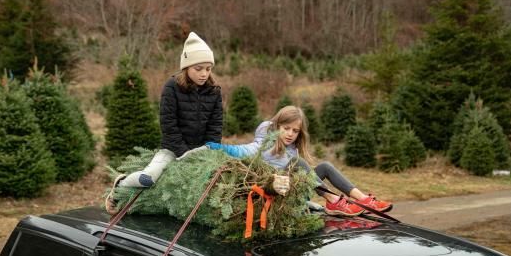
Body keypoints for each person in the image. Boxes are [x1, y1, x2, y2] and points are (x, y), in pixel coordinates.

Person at [206, 105, 392, 215]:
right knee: (299, 164)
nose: (290, 134)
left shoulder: (292, 149)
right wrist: (217, 147)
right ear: (277, 125)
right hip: (274, 192)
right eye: (286, 128)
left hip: (291, 188)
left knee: (325, 166)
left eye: (295, 131)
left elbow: (303, 174)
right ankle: (332, 200)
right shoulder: (264, 142)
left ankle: (364, 200)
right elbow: (241, 150)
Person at [116, 32, 222, 189]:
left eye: (208, 69)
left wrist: (207, 150)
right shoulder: (171, 87)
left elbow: (216, 125)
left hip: (202, 151)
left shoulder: (214, 91)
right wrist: (184, 153)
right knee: (149, 178)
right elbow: (168, 124)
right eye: (198, 69)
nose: (204, 74)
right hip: (172, 150)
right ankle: (121, 184)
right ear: (186, 67)